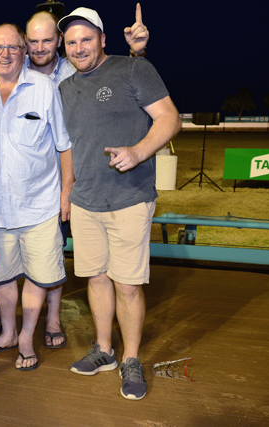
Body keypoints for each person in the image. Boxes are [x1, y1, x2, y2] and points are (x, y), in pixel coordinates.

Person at [0, 4, 149, 350]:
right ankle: (5, 321)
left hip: (57, 193)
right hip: (4, 201)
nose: (40, 47)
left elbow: (111, 71)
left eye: (47, 40)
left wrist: (137, 50)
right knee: (14, 269)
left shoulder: (65, 72)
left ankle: (52, 319)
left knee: (48, 267)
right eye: (33, 41)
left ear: (58, 41)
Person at [58, 8, 181, 400]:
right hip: (86, 201)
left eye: (86, 39)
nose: (79, 47)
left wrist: (139, 152)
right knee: (95, 278)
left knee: (127, 285)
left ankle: (130, 357)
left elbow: (169, 119)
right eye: (72, 41)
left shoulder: (132, 71)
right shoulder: (65, 87)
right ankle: (104, 350)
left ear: (103, 39)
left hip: (129, 199)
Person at [0, 23, 73, 371]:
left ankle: (27, 336)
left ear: (24, 51)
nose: (5, 54)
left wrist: (65, 193)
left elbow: (63, 145)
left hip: (41, 206)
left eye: (13, 47)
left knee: (38, 276)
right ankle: (8, 332)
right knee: (2, 278)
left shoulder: (43, 88)